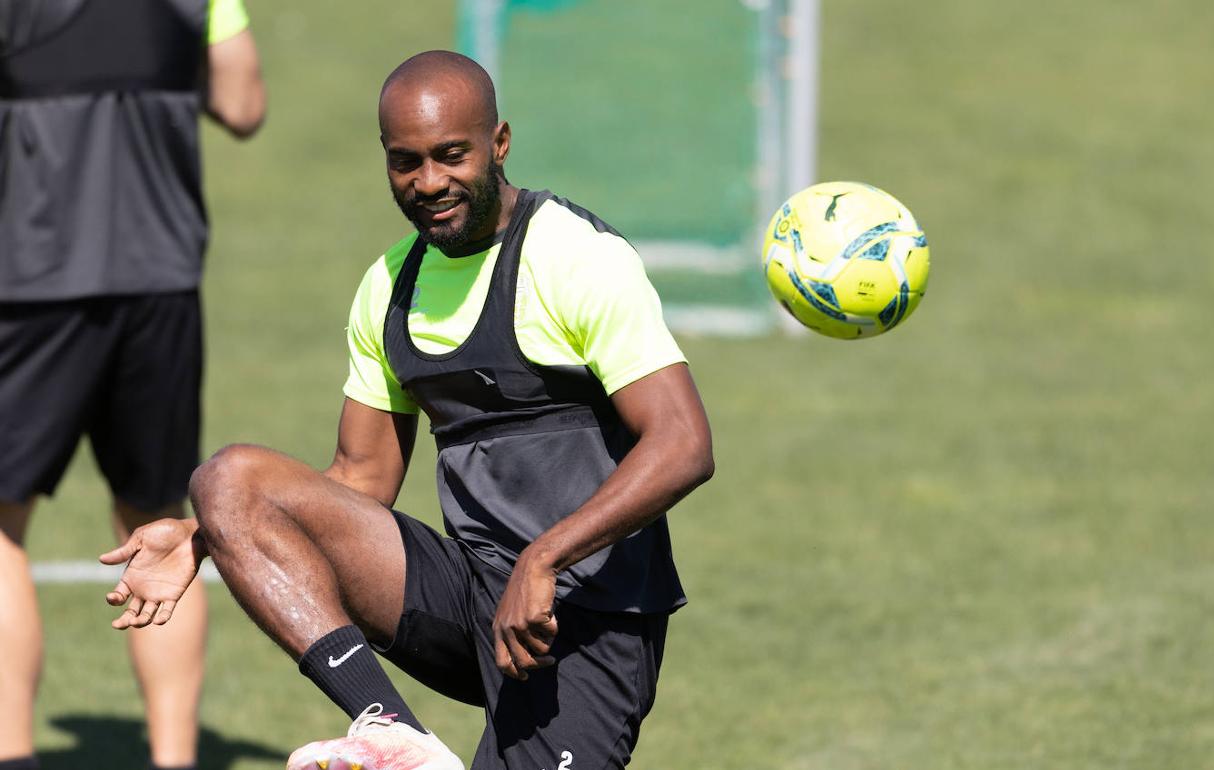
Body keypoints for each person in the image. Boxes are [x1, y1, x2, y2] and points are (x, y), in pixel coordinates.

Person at [101, 49, 713, 770]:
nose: (429, 183)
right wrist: (211, 535)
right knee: (228, 479)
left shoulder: (575, 258)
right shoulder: (391, 284)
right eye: (406, 162)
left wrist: (545, 557)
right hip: (473, 595)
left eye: (451, 156)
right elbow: (359, 483)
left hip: (588, 614)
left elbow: (682, 444)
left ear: (500, 143)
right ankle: (388, 725)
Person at [0, 2, 265, 769]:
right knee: (158, 522)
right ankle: (174, 759)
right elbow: (244, 104)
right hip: (161, 284)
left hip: (28, 281)